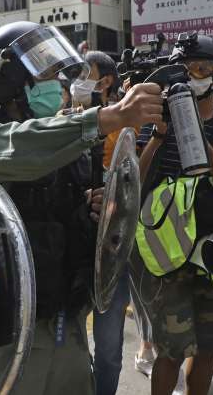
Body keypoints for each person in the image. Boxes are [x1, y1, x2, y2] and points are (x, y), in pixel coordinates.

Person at [0, 21, 163, 395]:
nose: (58, 85)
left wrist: (95, 210)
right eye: (47, 75)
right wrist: (109, 117)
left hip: (66, 317)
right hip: (8, 328)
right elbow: (24, 148)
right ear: (16, 82)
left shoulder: (69, 140)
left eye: (56, 75)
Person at [134, 33, 213, 395]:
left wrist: (194, 130)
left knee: (209, 343)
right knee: (171, 348)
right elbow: (135, 176)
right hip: (167, 251)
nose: (192, 75)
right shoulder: (156, 121)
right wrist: (160, 136)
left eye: (202, 68)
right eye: (184, 69)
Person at [71, 50, 128, 395]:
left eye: (83, 73)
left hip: (112, 250)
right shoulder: (62, 122)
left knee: (109, 350)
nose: (75, 82)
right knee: (69, 344)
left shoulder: (126, 125)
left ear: (104, 82)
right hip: (74, 249)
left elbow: (131, 180)